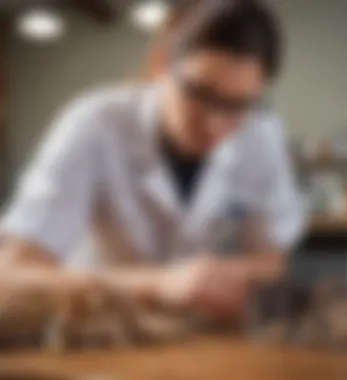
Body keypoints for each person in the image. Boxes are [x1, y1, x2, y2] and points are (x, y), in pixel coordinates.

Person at [0, 0, 304, 318]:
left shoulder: (261, 134)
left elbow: (271, 262)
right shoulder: (93, 123)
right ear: (161, 63)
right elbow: (11, 276)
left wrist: (224, 276)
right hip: (93, 326)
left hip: (193, 336)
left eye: (239, 105)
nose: (215, 123)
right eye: (200, 94)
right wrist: (160, 284)